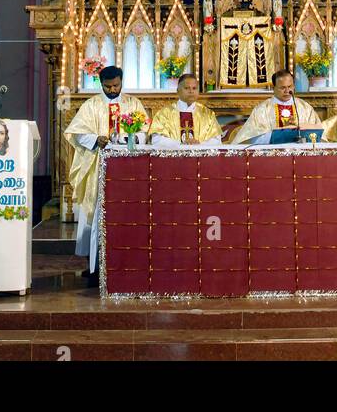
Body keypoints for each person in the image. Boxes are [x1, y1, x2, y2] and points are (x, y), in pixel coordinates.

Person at [64, 66, 149, 266]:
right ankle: (93, 264)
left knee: (127, 212)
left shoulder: (133, 104)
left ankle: (128, 261)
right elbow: (76, 132)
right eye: (108, 86)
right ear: (100, 84)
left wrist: (129, 137)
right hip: (97, 166)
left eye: (116, 85)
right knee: (93, 212)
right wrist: (95, 139)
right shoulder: (91, 105)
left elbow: (145, 129)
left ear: (122, 82)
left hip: (128, 167)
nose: (112, 90)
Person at [229, 69, 322, 145]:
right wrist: (283, 135)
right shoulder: (262, 109)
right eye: (282, 88)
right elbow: (253, 139)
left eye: (290, 86)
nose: (287, 91)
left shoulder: (304, 107)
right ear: (274, 88)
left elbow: (319, 134)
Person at [149, 74, 222, 147]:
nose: (191, 91)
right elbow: (156, 139)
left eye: (194, 88)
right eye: (187, 88)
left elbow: (216, 139)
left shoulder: (207, 114)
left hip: (200, 156)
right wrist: (180, 145)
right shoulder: (164, 113)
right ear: (178, 91)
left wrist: (198, 145)